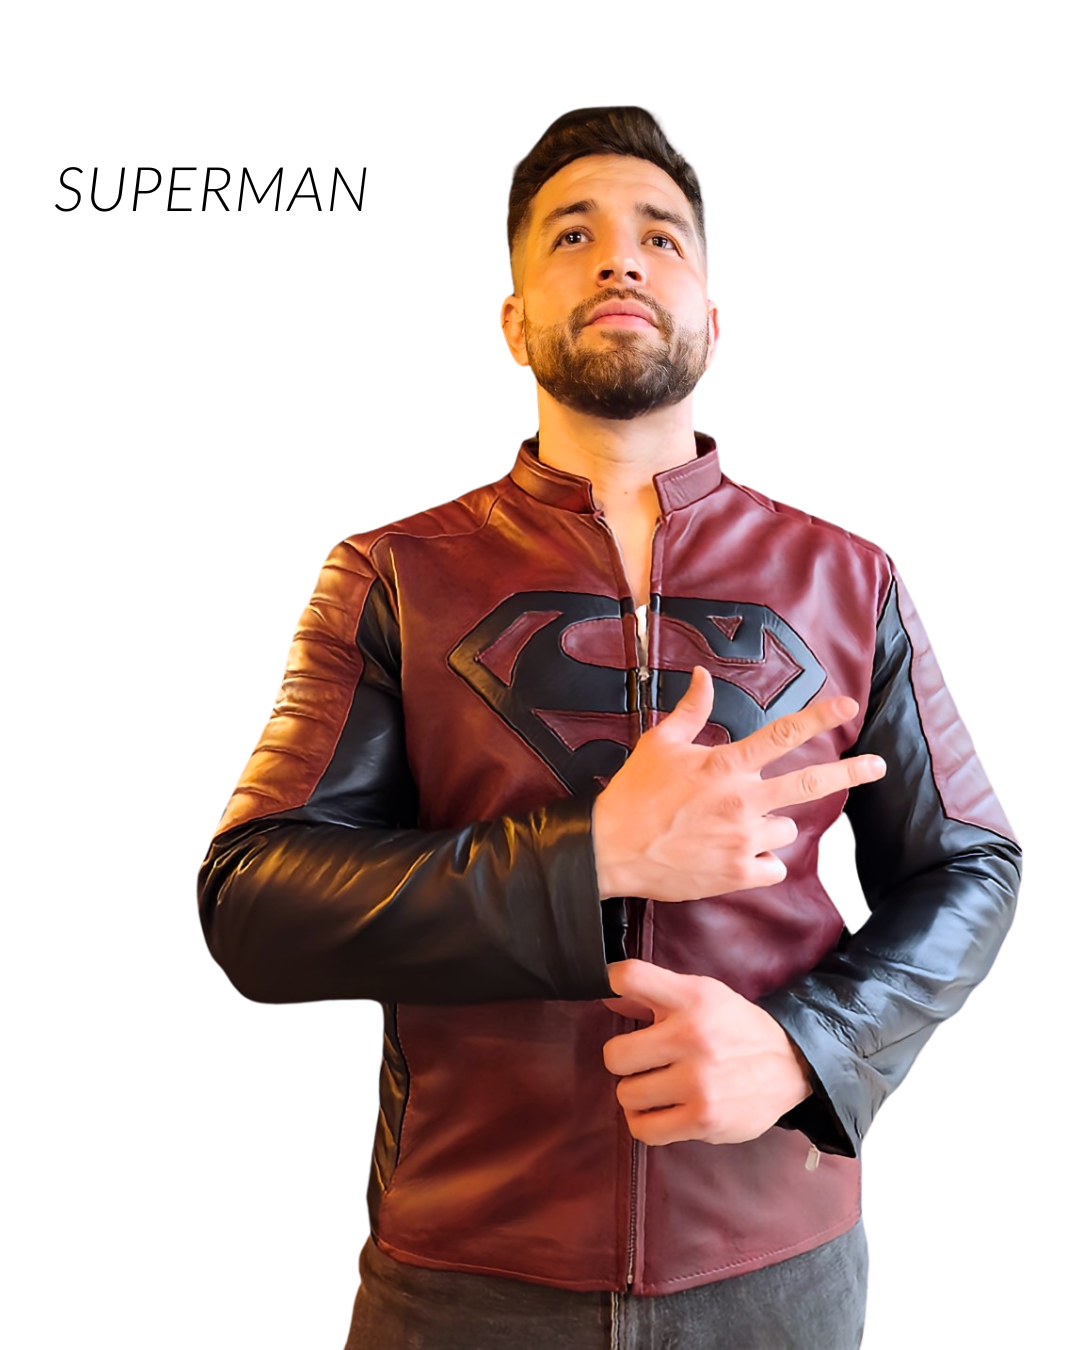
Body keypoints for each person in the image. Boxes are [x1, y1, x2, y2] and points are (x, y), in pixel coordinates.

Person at [196, 106, 1021, 1348]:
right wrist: (591, 860)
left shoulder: (853, 579)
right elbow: (253, 905)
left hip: (780, 1267)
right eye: (572, 236)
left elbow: (974, 865)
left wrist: (809, 1053)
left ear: (714, 323)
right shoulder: (388, 573)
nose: (622, 260)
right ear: (514, 322)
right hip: (462, 1275)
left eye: (660, 237)